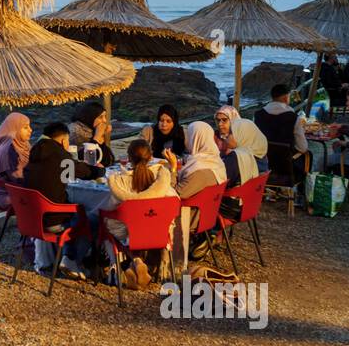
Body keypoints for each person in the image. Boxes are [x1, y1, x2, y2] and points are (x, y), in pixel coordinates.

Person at [23, 122, 104, 279]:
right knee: (92, 219)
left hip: (31, 218)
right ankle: (71, 259)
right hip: (52, 220)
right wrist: (100, 170)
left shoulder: (35, 152)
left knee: (77, 213)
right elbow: (83, 171)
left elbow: (59, 173)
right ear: (62, 141)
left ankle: (63, 257)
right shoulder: (58, 155)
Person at [103, 139, 175, 287]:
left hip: (128, 231)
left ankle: (131, 262)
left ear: (129, 158)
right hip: (158, 230)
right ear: (150, 157)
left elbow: (110, 208)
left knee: (105, 223)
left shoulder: (120, 181)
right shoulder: (159, 178)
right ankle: (148, 264)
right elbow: (174, 200)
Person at [161, 123, 227, 264]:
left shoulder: (200, 170)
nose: (187, 140)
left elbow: (175, 193)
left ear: (196, 138)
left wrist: (172, 168)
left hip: (191, 217)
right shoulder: (215, 160)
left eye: (190, 136)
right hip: (208, 214)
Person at [254, 82, 309, 181]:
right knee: (308, 155)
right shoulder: (293, 118)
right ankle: (301, 188)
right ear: (285, 98)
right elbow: (303, 147)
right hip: (286, 168)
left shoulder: (258, 115)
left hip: (263, 164)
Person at [0, 112, 32, 211]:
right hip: (10, 195)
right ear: (14, 129)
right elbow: (17, 178)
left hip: (17, 190)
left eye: (29, 126)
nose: (30, 130)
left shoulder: (22, 144)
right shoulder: (9, 150)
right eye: (25, 127)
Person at [68, 101, 116, 167]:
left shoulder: (92, 130)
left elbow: (108, 161)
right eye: (100, 117)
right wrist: (97, 137)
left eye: (105, 116)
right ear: (90, 116)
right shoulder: (74, 130)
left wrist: (101, 137)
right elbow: (84, 159)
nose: (104, 120)